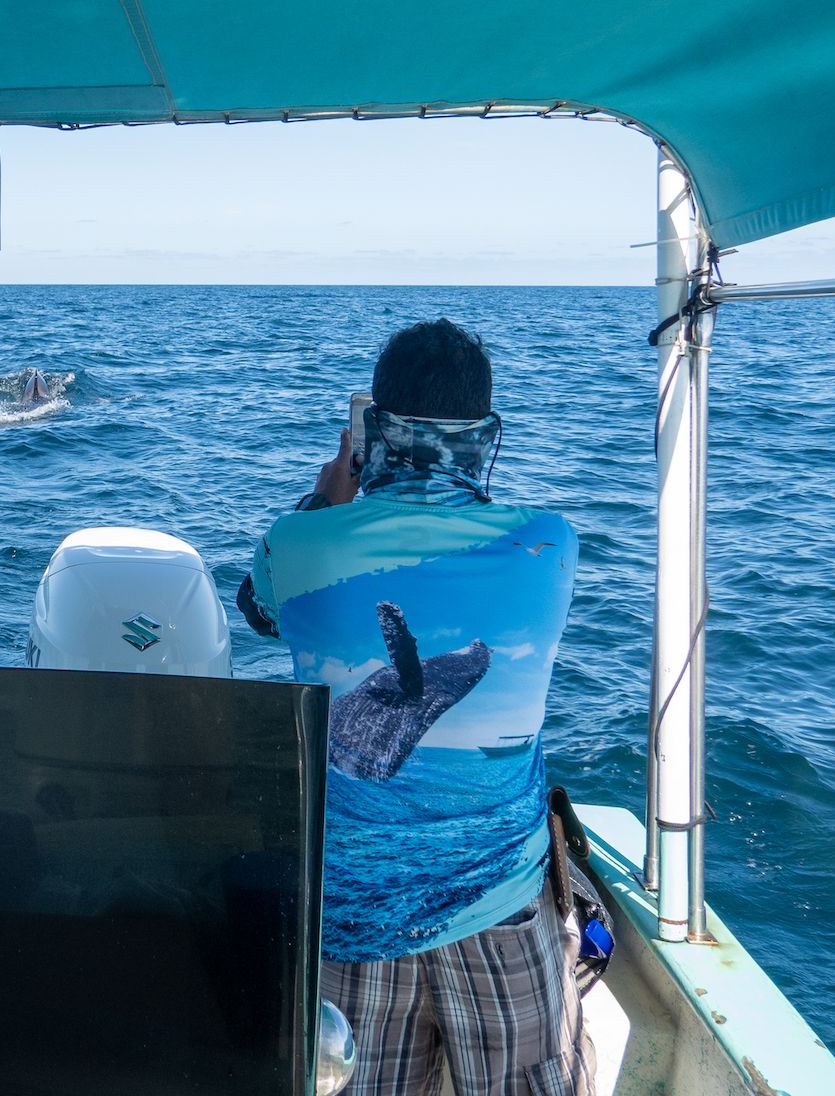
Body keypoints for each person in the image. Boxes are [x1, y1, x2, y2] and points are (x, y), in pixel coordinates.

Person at [238, 319, 590, 1096]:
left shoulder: (301, 541)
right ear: (485, 435)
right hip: (502, 905)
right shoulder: (550, 544)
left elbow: (257, 612)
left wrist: (332, 490)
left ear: (372, 431)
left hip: (354, 918)